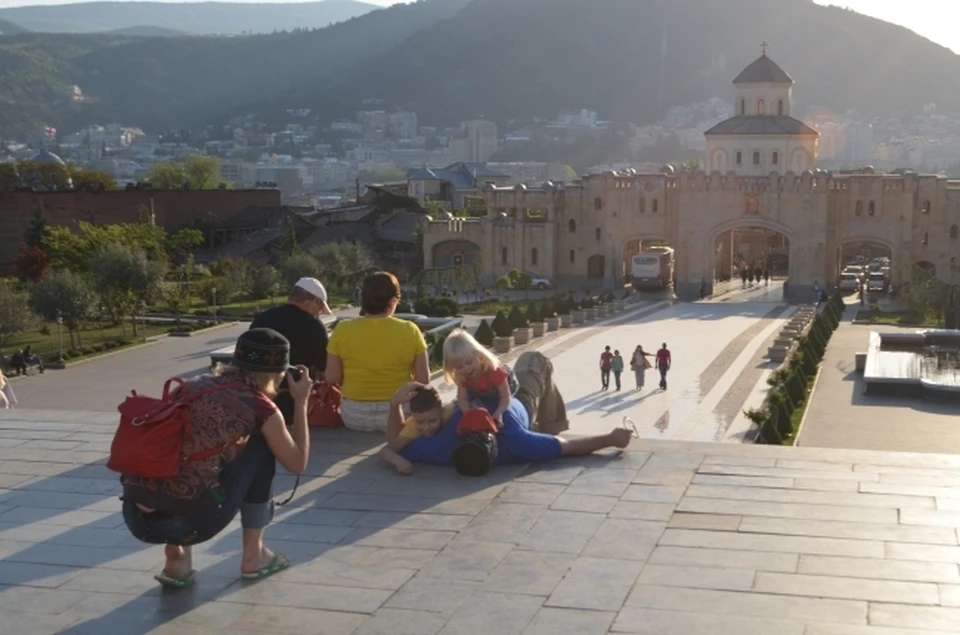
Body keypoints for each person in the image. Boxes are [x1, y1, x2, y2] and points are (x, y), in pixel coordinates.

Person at [120, 328, 313, 588]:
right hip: (191, 524)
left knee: (188, 455)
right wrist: (301, 402)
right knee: (260, 445)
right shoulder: (261, 408)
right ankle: (254, 556)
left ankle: (177, 558)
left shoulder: (189, 386)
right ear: (278, 373)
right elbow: (297, 462)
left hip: (135, 515)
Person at [378, 382, 632, 477]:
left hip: (498, 396)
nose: (426, 427)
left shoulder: (439, 447)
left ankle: (547, 426)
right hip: (518, 399)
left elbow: (393, 447)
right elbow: (569, 447)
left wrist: (611, 439)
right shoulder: (519, 443)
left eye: (428, 422)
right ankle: (550, 425)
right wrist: (609, 438)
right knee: (536, 364)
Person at [326, 271, 429, 432]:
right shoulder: (410, 330)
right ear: (393, 300)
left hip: (354, 416)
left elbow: (332, 377)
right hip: (398, 415)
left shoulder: (343, 329)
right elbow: (423, 380)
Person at [251, 277, 331, 424]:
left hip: (258, 401)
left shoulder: (262, 319)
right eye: (319, 309)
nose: (318, 314)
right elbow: (323, 369)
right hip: (295, 404)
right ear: (311, 301)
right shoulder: (315, 327)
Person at [443, 329, 516, 426]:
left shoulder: (495, 371)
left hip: (504, 389)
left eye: (469, 362)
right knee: (457, 410)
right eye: (459, 366)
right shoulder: (462, 376)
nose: (466, 369)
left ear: (479, 356)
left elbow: (505, 396)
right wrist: (468, 414)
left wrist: (499, 413)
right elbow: (462, 399)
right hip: (479, 394)